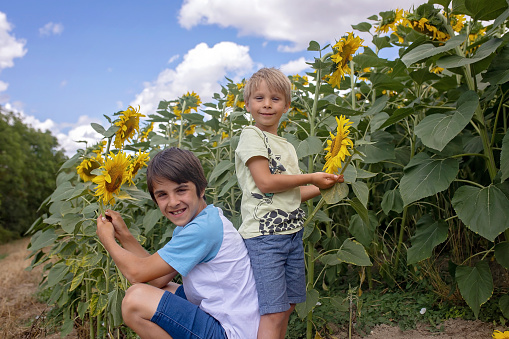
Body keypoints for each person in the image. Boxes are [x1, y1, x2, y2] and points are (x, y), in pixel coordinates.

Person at [96, 147, 259, 339]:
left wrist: (107, 239)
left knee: (135, 299)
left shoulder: (202, 230)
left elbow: (135, 274)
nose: (173, 202)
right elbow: (157, 280)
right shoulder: (202, 220)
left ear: (201, 188)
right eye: (162, 195)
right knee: (163, 290)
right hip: (226, 320)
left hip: (230, 333)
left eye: (181, 190)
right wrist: (123, 235)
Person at [235, 67, 344, 339]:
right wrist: (311, 176)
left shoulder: (286, 145)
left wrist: (323, 185)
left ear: (287, 106)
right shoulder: (252, 136)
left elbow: (291, 193)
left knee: (287, 306)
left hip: (292, 234)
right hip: (264, 237)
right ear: (247, 104)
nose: (267, 104)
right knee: (272, 311)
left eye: (275, 98)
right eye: (259, 98)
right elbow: (266, 183)